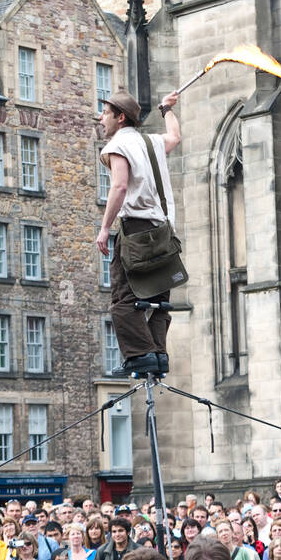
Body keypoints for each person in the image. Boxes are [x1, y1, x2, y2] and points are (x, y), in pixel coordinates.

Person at [96, 88, 180, 377]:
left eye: (105, 112)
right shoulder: (151, 142)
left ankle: (139, 357)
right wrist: (166, 109)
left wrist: (105, 228)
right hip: (165, 233)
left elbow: (119, 187)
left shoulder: (117, 146)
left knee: (123, 300)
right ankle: (157, 356)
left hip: (136, 231)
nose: (100, 117)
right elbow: (175, 138)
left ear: (120, 118)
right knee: (158, 300)